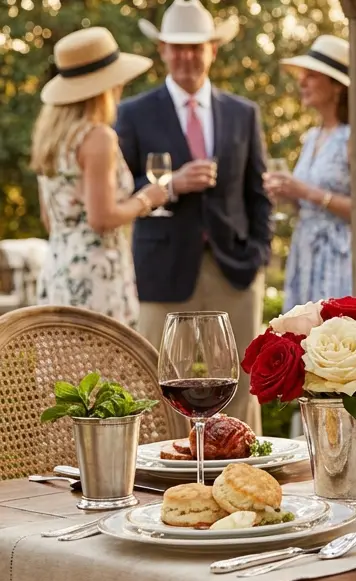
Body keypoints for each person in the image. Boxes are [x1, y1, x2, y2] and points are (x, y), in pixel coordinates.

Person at [116, 0, 270, 432]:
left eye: (195, 47)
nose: (187, 56)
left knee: (243, 386)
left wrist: (259, 254)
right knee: (159, 384)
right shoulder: (133, 112)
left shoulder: (243, 113)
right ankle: (168, 469)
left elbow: (258, 194)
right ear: (163, 50)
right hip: (162, 271)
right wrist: (171, 185)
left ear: (212, 50)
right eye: (178, 47)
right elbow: (119, 189)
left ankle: (244, 468)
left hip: (235, 271)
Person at [30, 28, 169, 327]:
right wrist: (147, 199)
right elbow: (101, 218)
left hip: (59, 267)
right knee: (103, 355)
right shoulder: (98, 137)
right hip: (96, 276)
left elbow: (48, 219)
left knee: (64, 356)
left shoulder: (51, 139)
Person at [269, 35, 353, 310]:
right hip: (304, 252)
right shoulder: (312, 137)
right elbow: (305, 201)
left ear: (336, 86)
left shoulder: (352, 137)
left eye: (312, 76)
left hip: (338, 256)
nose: (302, 82)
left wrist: (305, 192)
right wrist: (287, 194)